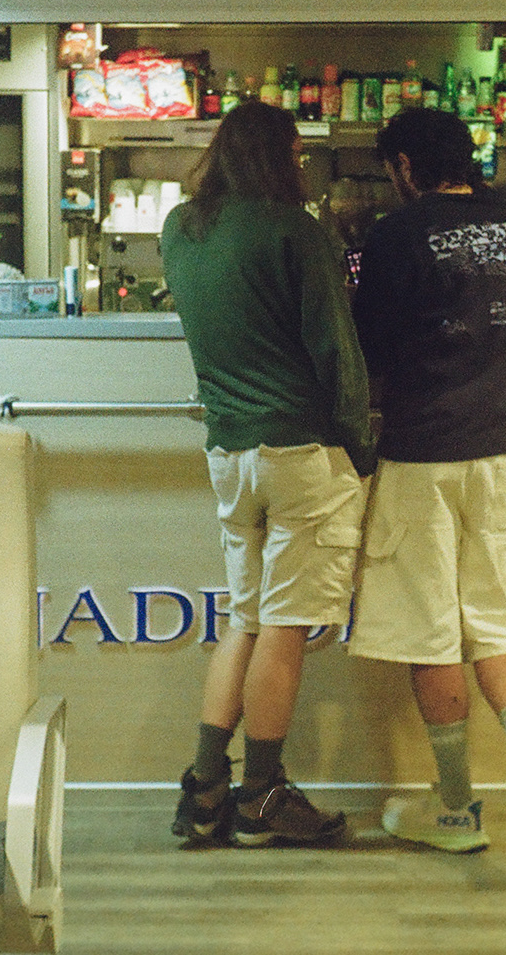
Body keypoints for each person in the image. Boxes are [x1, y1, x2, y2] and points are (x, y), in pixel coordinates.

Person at [347, 107, 506, 879]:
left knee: (430, 626)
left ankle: (458, 805)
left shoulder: (398, 233)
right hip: (500, 447)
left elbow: (366, 344)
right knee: (495, 614)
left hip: (422, 452)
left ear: (405, 165)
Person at [159, 100, 374, 847]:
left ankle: (204, 793)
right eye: (295, 153)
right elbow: (336, 351)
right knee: (284, 626)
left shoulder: (180, 230)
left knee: (245, 619)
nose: (302, 165)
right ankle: (261, 798)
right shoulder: (296, 232)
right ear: (277, 156)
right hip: (300, 452)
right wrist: (361, 449)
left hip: (229, 452)